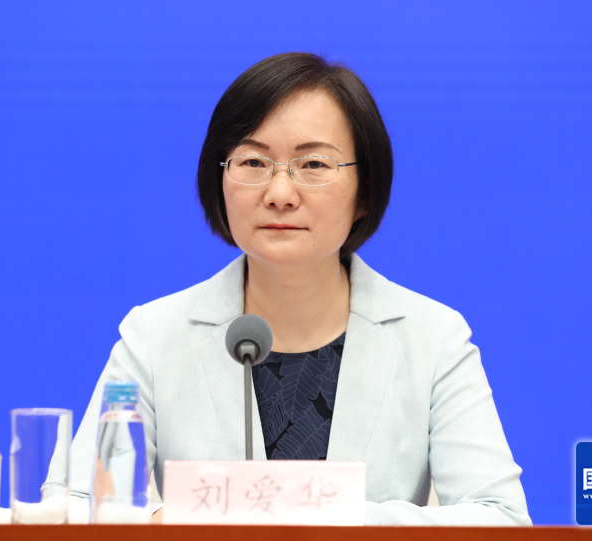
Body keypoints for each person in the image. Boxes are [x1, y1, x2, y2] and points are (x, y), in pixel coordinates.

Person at [67, 52, 531, 526]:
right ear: (218, 179)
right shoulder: (153, 337)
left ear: (364, 192)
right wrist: (176, 523)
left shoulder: (433, 339)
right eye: (253, 161)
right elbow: (74, 504)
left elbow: (502, 518)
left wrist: (323, 517)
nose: (280, 193)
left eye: (313, 164)